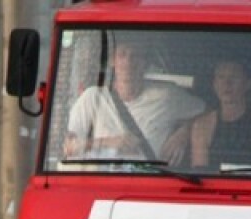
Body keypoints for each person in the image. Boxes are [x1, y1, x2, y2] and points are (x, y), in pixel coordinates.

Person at [63, 38, 206, 165]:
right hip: (101, 185)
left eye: (136, 56)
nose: (128, 62)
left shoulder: (167, 96)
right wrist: (110, 143)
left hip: (150, 184)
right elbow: (68, 147)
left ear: (145, 63)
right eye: (122, 54)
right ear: (113, 60)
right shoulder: (92, 98)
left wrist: (184, 133)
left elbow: (207, 113)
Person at [190, 59, 251, 170]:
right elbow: (200, 172)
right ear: (214, 85)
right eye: (221, 77)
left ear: (247, 84)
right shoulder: (202, 125)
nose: (227, 84)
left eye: (234, 77)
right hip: (216, 186)